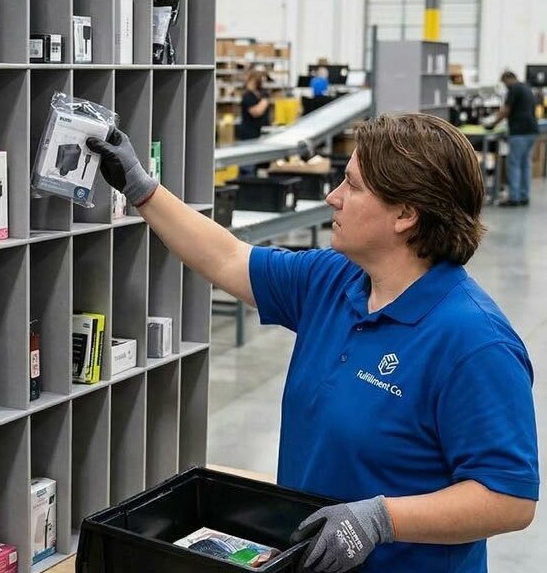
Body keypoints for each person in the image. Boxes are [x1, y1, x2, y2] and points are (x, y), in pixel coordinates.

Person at [87, 113, 538, 573]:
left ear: (406, 214)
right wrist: (141, 188)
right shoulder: (335, 279)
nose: (332, 197)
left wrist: (382, 519)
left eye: (353, 185)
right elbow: (227, 258)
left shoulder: (475, 342)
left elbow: (509, 498)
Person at [487, 70, 539, 206]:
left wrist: (492, 124)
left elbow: (506, 110)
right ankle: (524, 196)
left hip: (519, 132)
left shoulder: (514, 89)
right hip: (532, 131)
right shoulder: (526, 88)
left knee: (514, 164)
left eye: (504, 82)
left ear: (509, 78)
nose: (505, 85)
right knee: (525, 164)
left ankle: (514, 197)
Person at [237, 70, 272, 176]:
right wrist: (265, 101)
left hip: (261, 134)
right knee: (248, 166)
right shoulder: (247, 96)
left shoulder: (262, 94)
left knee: (260, 166)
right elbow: (256, 112)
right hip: (249, 134)